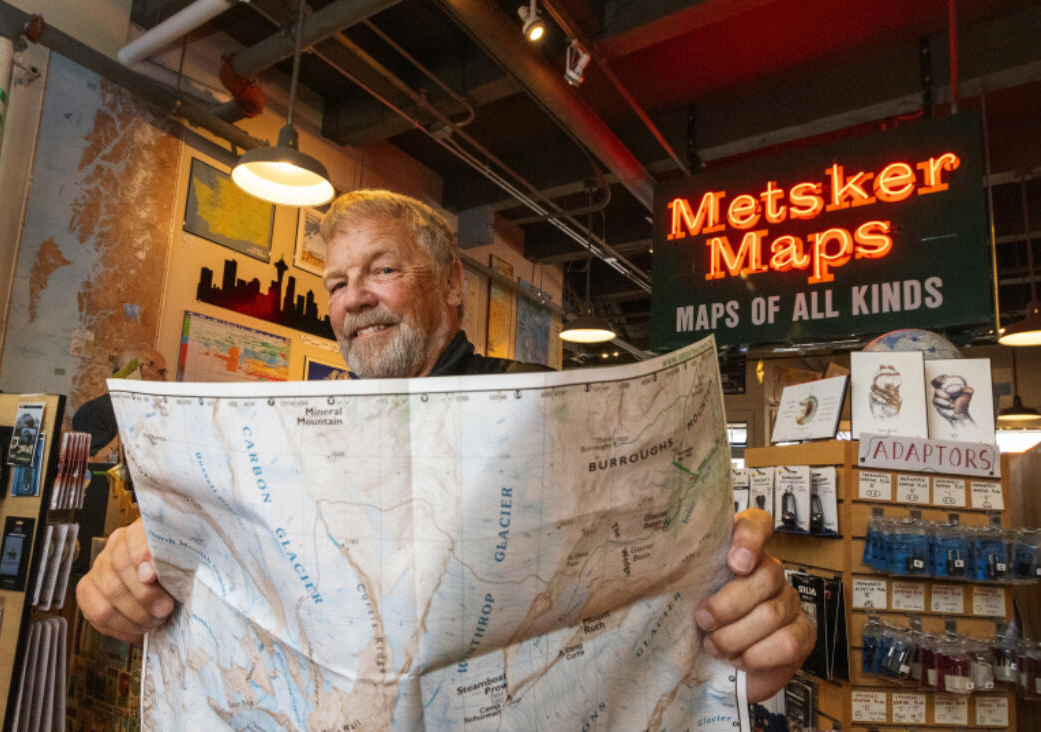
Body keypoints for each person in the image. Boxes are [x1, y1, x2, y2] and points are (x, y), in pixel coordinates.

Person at [76, 188, 815, 703]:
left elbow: (666, 595)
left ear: (453, 284)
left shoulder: (554, 414)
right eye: (336, 283)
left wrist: (743, 618)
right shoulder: (302, 442)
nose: (352, 298)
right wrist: (125, 577)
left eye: (382, 270)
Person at [72, 348, 168, 461]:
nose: (165, 380)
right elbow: (93, 467)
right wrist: (131, 427)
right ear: (135, 375)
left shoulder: (156, 411)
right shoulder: (94, 411)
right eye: (161, 373)